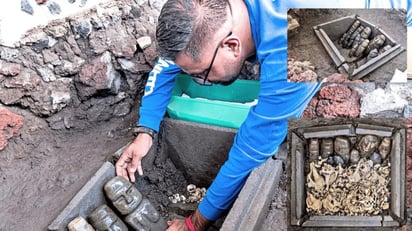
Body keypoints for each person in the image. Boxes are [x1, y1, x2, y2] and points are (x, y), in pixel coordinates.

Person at [115, 0, 409, 230]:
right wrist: (146, 131)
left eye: (201, 75)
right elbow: (169, 63)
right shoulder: (213, 10)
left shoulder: (293, 48)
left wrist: (195, 222)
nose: (200, 82)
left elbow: (253, 146)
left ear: (231, 45)